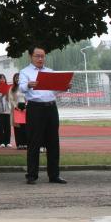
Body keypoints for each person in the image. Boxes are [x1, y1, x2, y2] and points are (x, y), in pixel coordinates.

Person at [18, 44, 66, 184]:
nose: (40, 59)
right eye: (37, 56)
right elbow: (21, 88)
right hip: (35, 108)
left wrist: (63, 87)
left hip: (51, 107)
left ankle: (54, 175)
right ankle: (32, 175)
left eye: (42, 56)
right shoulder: (25, 72)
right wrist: (28, 85)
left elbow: (54, 91)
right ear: (30, 56)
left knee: (53, 142)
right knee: (34, 141)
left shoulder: (50, 72)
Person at [0, 73, 13, 148]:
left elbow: (9, 100)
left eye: (3, 78)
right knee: (0, 127)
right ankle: (1, 142)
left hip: (7, 110)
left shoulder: (8, 88)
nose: (2, 79)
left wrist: (7, 94)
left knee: (7, 127)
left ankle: (7, 142)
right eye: (0, 78)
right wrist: (2, 94)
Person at [11, 72, 28, 149]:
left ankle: (25, 143)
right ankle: (19, 144)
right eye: (16, 78)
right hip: (16, 108)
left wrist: (26, 106)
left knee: (25, 127)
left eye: (19, 78)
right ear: (14, 79)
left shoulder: (24, 88)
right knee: (18, 127)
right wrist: (15, 106)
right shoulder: (12, 89)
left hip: (24, 107)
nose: (17, 79)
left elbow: (28, 97)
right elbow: (11, 99)